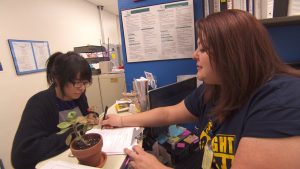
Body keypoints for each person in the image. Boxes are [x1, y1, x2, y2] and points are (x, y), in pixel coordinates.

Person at [102, 9, 300, 169]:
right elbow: (169, 114)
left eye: (203, 49)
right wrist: (120, 120)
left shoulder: (281, 100)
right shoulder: (215, 88)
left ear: (232, 53)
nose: (194, 54)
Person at [11, 52, 94, 169]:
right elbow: (21, 156)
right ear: (58, 79)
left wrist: (91, 116)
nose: (82, 88)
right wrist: (76, 130)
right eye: (77, 82)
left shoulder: (79, 96)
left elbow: (85, 117)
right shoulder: (38, 103)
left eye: (85, 83)